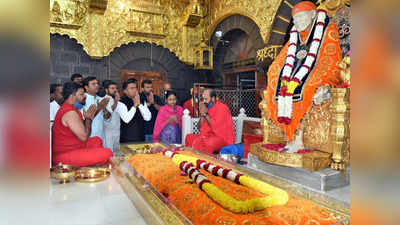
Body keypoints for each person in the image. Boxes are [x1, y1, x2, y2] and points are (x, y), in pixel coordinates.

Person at [265, 1, 342, 152]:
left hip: (319, 70)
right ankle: (289, 136)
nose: (297, 22)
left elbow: (331, 59)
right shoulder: (295, 35)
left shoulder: (327, 29)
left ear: (313, 15)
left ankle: (298, 139)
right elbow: (282, 58)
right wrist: (274, 71)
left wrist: (315, 78)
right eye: (294, 20)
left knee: (307, 88)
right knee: (280, 86)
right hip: (295, 75)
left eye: (300, 18)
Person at [52, 82, 113, 167]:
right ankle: (94, 163)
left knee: (97, 140)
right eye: (81, 94)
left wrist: (89, 118)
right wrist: (88, 119)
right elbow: (84, 137)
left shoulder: (71, 109)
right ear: (72, 96)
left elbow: (82, 131)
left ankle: (91, 162)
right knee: (107, 153)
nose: (85, 96)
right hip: (64, 155)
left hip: (74, 146)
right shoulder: (70, 113)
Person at [185, 89, 235, 154]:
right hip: (208, 136)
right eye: (203, 99)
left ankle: (205, 160)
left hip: (222, 138)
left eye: (206, 99)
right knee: (189, 137)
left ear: (213, 99)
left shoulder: (222, 108)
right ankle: (192, 156)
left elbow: (216, 126)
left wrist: (205, 114)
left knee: (208, 143)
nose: (204, 101)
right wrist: (203, 114)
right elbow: (199, 127)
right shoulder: (207, 108)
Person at [120, 78, 151, 143]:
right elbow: (126, 119)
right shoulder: (121, 102)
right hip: (126, 138)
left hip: (141, 137)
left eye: (135, 88)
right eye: (132, 88)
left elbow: (148, 118)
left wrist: (139, 105)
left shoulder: (141, 100)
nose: (135, 90)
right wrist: (134, 105)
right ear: (125, 91)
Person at [82, 76, 110, 143]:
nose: (97, 85)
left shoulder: (100, 98)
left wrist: (104, 109)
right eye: (93, 84)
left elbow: (107, 117)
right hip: (90, 135)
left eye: (97, 83)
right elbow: (85, 119)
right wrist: (99, 107)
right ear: (86, 87)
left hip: (101, 134)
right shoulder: (83, 100)